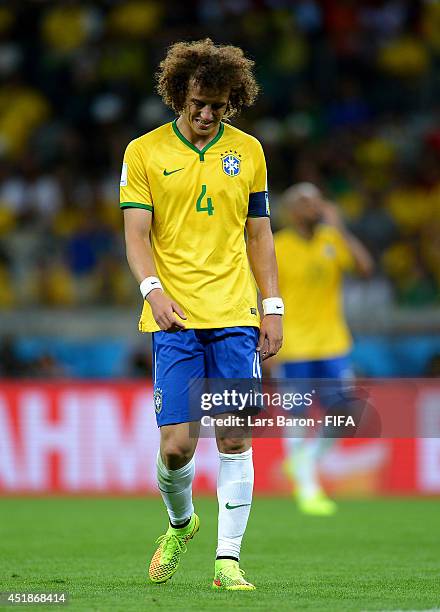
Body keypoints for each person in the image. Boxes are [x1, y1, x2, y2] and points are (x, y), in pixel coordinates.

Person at [120, 39, 283, 590]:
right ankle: (181, 523)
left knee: (234, 437)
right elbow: (136, 235)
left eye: (218, 104)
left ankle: (228, 562)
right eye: (198, 104)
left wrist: (273, 306)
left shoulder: (250, 152)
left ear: (231, 99)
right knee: (176, 447)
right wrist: (151, 290)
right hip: (174, 317)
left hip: (235, 311)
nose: (208, 114)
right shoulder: (143, 153)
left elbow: (259, 234)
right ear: (177, 96)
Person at [273, 182, 373, 515]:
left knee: (348, 413)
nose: (315, 207)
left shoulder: (332, 240)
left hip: (333, 343)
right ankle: (308, 489)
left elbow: (364, 268)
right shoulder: (276, 246)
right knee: (296, 415)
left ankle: (304, 461)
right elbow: (262, 295)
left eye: (318, 201)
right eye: (307, 202)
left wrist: (339, 227)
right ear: (291, 210)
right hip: (294, 347)